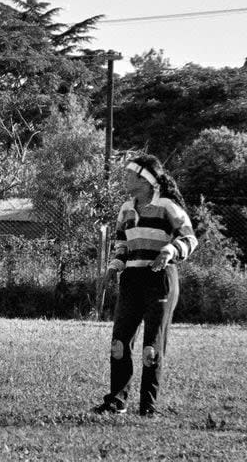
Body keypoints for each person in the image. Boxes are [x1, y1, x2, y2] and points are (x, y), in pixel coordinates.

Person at [93, 155, 198, 417]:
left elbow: (189, 238)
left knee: (151, 348)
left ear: (145, 179)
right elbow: (122, 244)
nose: (125, 179)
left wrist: (170, 250)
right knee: (119, 343)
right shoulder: (125, 209)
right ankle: (117, 402)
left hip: (160, 279)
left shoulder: (167, 207)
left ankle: (147, 408)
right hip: (131, 279)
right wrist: (114, 266)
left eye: (129, 174)